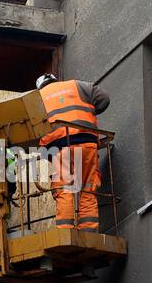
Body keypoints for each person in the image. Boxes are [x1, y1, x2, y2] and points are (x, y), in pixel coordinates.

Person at [36, 73, 110, 231]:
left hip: (60, 148)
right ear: (55, 80)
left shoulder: (37, 98)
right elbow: (104, 99)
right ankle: (89, 232)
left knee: (64, 190)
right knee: (88, 188)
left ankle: (66, 232)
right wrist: (89, 112)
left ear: (40, 87)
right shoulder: (77, 85)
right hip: (87, 143)